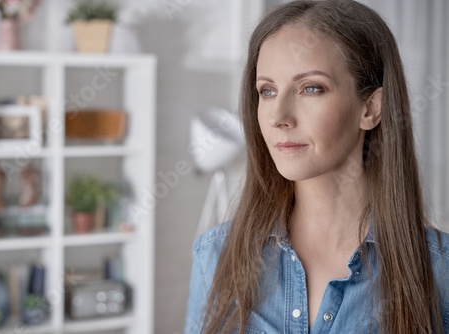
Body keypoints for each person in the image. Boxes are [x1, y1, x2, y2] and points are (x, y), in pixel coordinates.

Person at [184, 1, 449, 333]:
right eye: (267, 91)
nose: (278, 116)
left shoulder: (439, 270)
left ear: (370, 108)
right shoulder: (215, 257)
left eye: (310, 88)